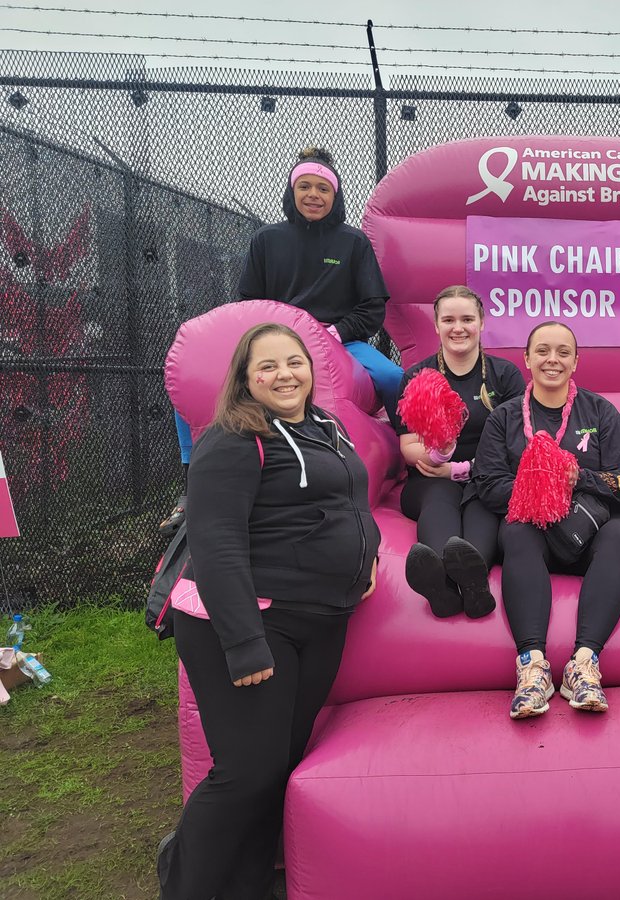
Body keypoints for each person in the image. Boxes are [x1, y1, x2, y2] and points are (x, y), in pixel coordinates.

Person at [157, 323, 381, 900]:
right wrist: (244, 642)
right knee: (246, 772)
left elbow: (348, 500)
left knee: (277, 766)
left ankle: (246, 885)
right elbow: (217, 542)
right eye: (268, 366)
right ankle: (185, 880)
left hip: (320, 619)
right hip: (252, 621)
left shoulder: (325, 428)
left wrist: (367, 556)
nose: (284, 375)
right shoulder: (232, 437)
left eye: (294, 362)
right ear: (245, 377)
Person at [159, 145, 402, 535]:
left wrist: (332, 333)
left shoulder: (353, 243)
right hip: (274, 343)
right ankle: (191, 487)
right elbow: (248, 302)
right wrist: (275, 342)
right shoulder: (266, 240)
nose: (313, 195)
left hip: (341, 342)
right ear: (292, 192)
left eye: (323, 189)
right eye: (304, 186)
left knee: (394, 379)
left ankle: (411, 459)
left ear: (335, 196)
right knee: (189, 379)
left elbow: (372, 308)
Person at [474, 322, 620, 718]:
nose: (553, 360)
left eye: (563, 352)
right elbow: (488, 483)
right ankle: (532, 667)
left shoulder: (599, 410)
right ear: (527, 359)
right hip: (534, 534)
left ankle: (584, 664)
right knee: (514, 529)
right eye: (544, 351)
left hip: (589, 534)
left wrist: (578, 479)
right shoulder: (504, 417)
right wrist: (542, 489)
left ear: (576, 362)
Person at [397, 285, 524, 619]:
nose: (458, 327)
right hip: (430, 479)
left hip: (488, 476)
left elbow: (515, 445)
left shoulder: (505, 375)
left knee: (482, 503)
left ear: (481, 323)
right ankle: (440, 581)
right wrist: (437, 457)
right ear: (436, 326)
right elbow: (408, 445)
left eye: (467, 319)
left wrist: (462, 469)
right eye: (448, 319)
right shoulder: (418, 376)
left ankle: (473, 585)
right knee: (440, 499)